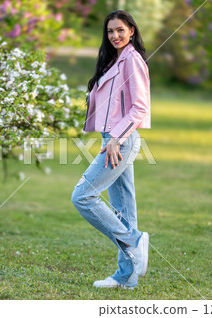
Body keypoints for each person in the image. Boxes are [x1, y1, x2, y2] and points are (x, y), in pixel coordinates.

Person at [71, 9, 151, 290]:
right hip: (112, 139)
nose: (115, 35)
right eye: (110, 31)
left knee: (82, 195)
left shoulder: (133, 60)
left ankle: (133, 239)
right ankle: (126, 277)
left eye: (120, 30)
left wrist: (116, 138)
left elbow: (139, 108)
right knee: (123, 209)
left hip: (121, 141)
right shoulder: (114, 60)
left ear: (131, 30)